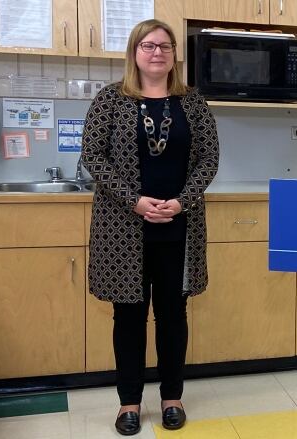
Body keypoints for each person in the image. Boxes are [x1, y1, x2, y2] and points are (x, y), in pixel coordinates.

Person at [81, 19, 219, 436]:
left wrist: (180, 202)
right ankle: (129, 403)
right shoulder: (110, 100)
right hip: (124, 227)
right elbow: (94, 156)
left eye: (165, 45)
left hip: (179, 226)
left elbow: (208, 160)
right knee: (128, 316)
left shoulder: (192, 103)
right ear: (134, 52)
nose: (157, 52)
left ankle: (172, 398)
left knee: (173, 315)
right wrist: (135, 200)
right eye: (148, 45)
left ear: (174, 54)